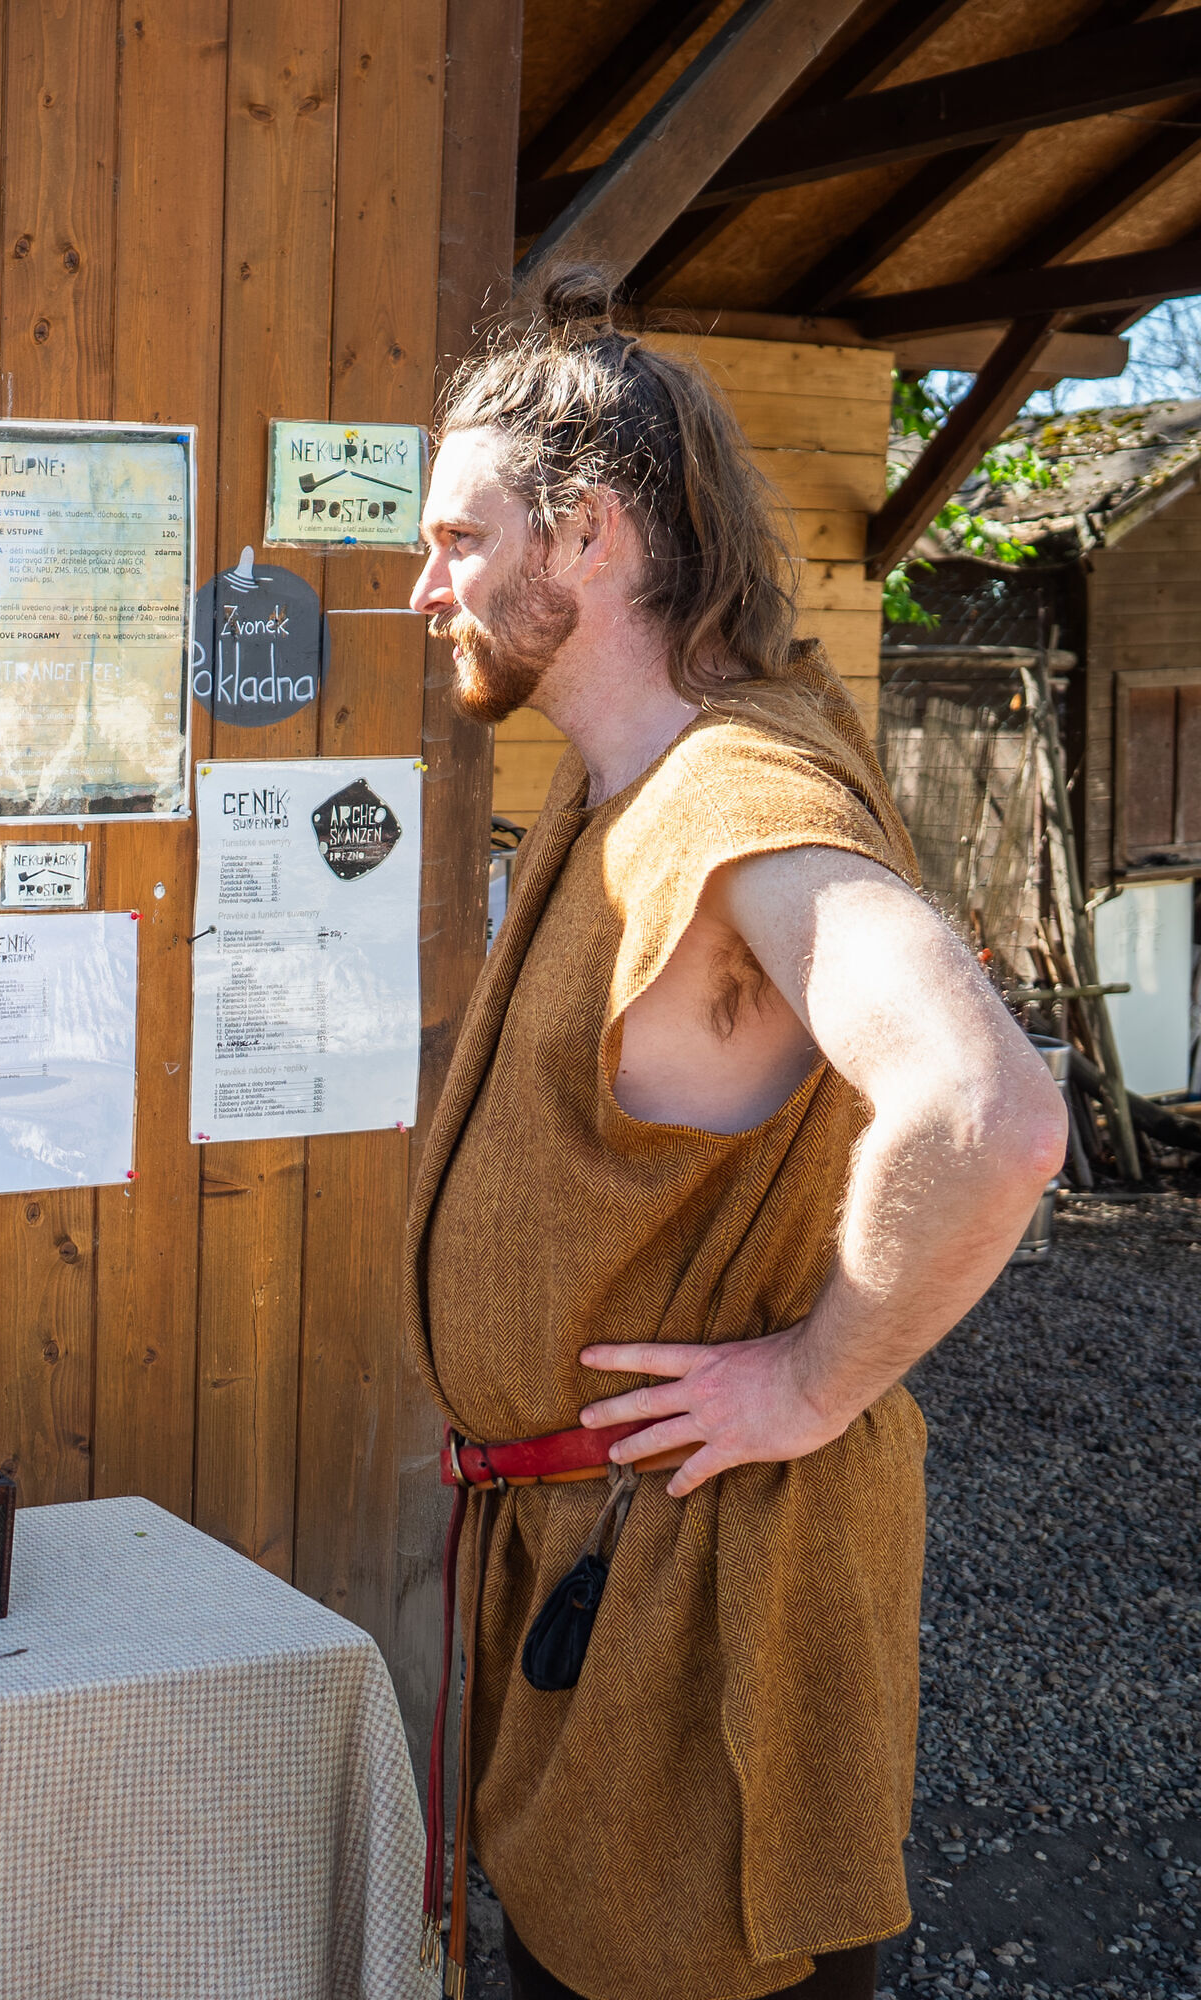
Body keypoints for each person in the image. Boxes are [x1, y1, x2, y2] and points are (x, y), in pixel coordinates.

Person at [406, 277, 1065, 2000]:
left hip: (703, 1596)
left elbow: (988, 1114)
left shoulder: (742, 796)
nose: (425, 587)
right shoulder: (623, 782)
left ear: (593, 535)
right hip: (599, 1564)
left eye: (459, 540)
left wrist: (812, 1382)